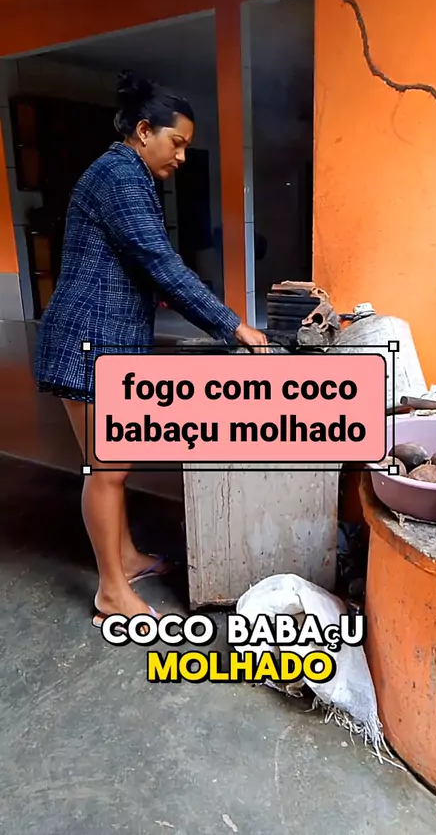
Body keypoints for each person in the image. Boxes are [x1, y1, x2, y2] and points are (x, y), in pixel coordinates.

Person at [34, 70, 269, 630]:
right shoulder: (119, 174)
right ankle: (111, 592)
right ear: (144, 131)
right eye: (177, 143)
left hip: (105, 339)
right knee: (107, 469)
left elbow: (141, 265)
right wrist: (233, 326)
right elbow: (160, 263)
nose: (182, 157)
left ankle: (128, 558)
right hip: (87, 340)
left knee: (114, 465)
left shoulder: (129, 174)